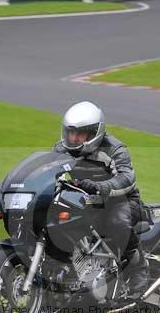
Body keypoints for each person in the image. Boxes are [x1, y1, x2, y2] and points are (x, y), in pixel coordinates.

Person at [52, 101, 148, 300]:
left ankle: (138, 270)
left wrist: (102, 187)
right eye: (70, 132)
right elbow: (48, 171)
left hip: (119, 201)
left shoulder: (114, 149)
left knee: (117, 222)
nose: (73, 138)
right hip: (85, 200)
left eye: (79, 133)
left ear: (95, 132)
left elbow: (127, 178)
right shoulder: (62, 149)